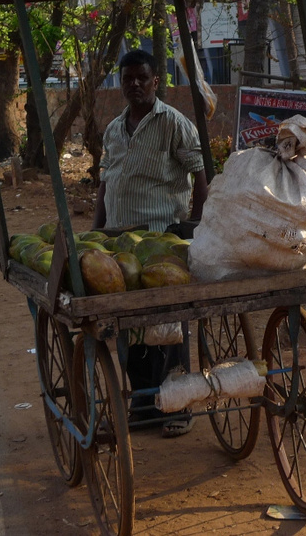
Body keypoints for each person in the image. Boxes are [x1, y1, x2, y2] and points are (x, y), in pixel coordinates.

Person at [93, 49, 208, 438]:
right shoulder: (113, 130)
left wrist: (193, 227)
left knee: (168, 326)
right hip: (119, 242)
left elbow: (201, 178)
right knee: (129, 326)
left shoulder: (175, 124)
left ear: (156, 81)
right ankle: (144, 404)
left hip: (162, 239)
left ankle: (178, 405)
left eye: (143, 78)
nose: (136, 85)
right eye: (128, 79)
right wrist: (96, 233)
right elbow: (106, 183)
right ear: (120, 82)